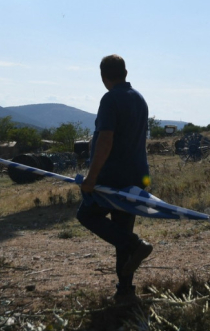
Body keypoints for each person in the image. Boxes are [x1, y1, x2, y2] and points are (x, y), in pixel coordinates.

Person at [76, 54, 153, 305]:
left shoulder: (110, 99)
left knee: (86, 215)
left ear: (103, 76)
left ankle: (135, 244)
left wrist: (91, 177)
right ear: (126, 72)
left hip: (112, 179)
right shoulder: (139, 99)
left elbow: (105, 140)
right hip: (136, 177)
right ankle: (125, 291)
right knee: (122, 229)